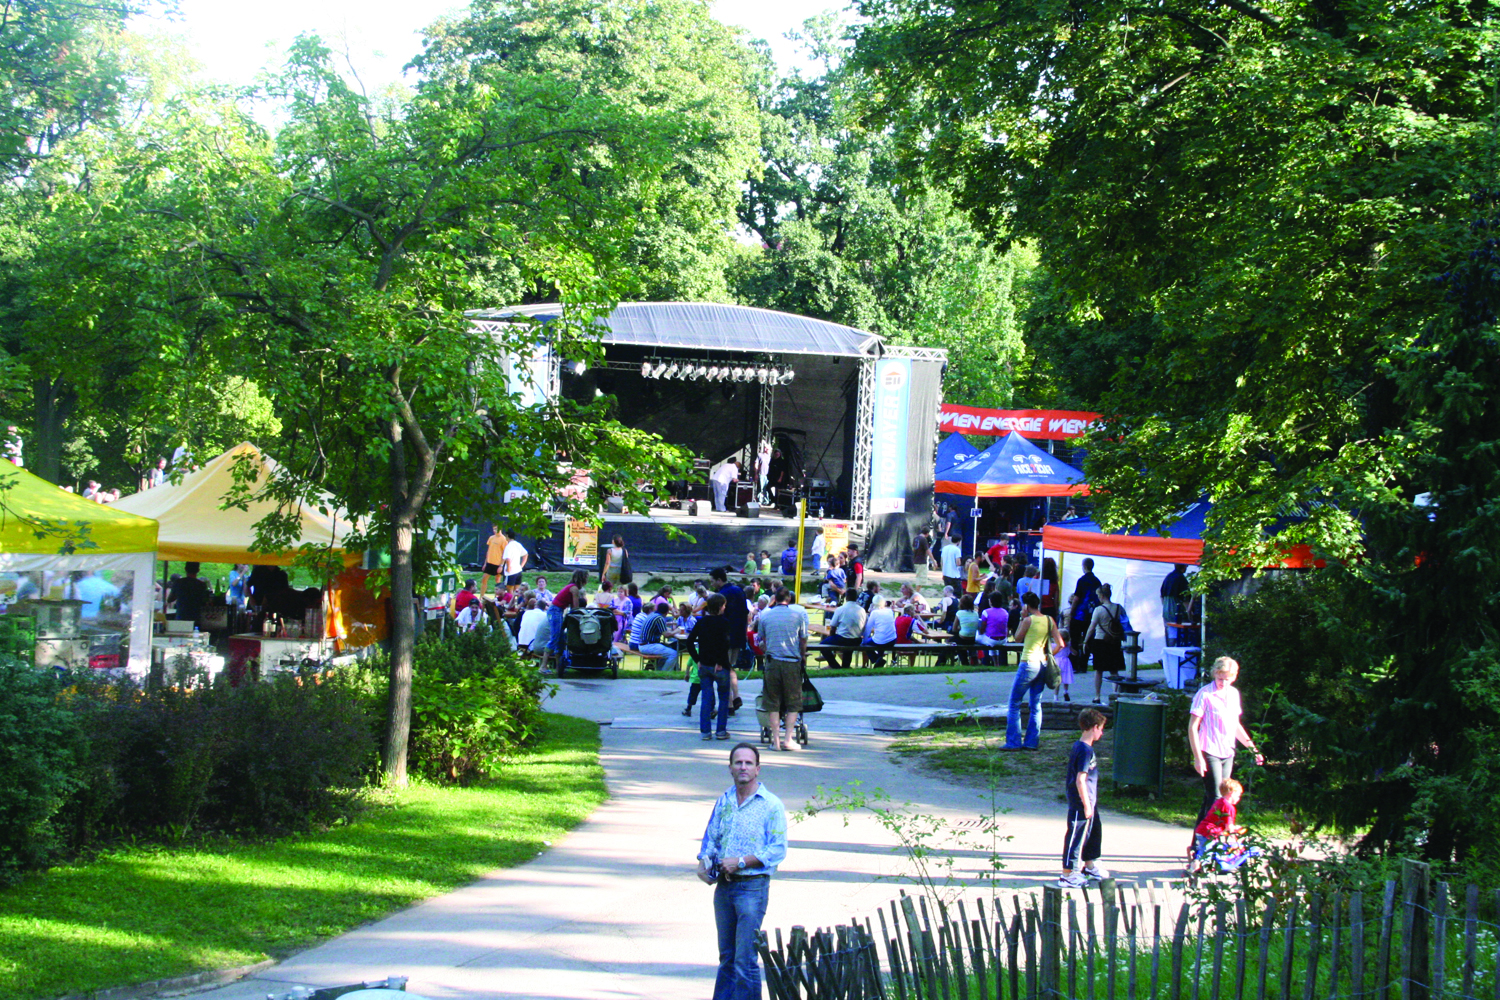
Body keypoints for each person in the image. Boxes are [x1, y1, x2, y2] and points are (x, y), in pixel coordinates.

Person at [697, 742, 788, 1000]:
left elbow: (777, 850)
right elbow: (711, 838)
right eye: (738, 763)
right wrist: (703, 862)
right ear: (730, 768)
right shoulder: (724, 800)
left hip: (752, 888)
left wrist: (741, 861)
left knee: (744, 960)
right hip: (724, 888)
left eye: (748, 763)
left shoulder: (770, 805)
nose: (743, 767)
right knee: (726, 957)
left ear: (758, 769)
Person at [1187, 656, 1264, 861]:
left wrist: (1252, 748)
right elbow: (1193, 727)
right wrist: (1198, 757)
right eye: (1220, 678)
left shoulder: (1233, 694)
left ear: (1234, 677)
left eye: (1228, 679)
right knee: (1217, 799)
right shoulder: (1204, 694)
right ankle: (1204, 847)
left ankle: (1199, 843)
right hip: (1209, 749)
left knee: (1213, 799)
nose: (1223, 683)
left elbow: (1235, 724)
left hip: (1227, 751)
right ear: (1214, 674)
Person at [1058, 708, 1109, 888]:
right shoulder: (1084, 750)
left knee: (1094, 831)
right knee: (1076, 835)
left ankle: (1090, 864)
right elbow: (1080, 779)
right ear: (1094, 727)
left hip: (1090, 801)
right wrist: (1086, 805)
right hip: (1082, 802)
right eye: (1101, 729)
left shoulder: (1082, 747)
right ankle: (1068, 873)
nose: (1101, 733)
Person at [1005, 591, 1063, 749]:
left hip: (1028, 662)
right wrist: (1049, 655)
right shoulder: (1049, 620)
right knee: (1035, 704)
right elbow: (1060, 643)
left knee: (1014, 702)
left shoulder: (1028, 620)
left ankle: (1013, 741)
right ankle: (1032, 742)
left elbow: (1017, 638)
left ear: (1026, 606)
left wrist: (1022, 618)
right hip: (1042, 663)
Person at [755, 588, 807, 750]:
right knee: (793, 702)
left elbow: (761, 640)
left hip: (772, 662)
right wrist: (802, 656)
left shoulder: (765, 616)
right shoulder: (797, 616)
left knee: (772, 702)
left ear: (774, 599)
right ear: (789, 599)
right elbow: (803, 639)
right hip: (791, 662)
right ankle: (788, 739)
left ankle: (775, 741)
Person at [687, 593, 737, 739]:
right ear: (721, 607)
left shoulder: (701, 622)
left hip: (704, 664)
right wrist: (721, 662)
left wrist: (697, 659)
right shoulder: (725, 623)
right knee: (723, 698)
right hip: (720, 665)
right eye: (724, 605)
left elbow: (690, 642)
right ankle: (721, 731)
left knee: (706, 699)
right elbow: (725, 644)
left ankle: (705, 732)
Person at [1191, 777, 1247, 874]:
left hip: (1203, 829)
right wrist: (1235, 834)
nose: (1239, 798)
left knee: (1206, 850)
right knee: (1206, 853)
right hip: (1209, 832)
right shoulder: (1229, 807)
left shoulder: (1220, 801)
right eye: (1238, 795)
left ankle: (1202, 866)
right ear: (1231, 793)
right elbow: (1229, 827)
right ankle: (1195, 869)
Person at [1084, 581, 1125, 703]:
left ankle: (1097, 695)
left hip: (1101, 640)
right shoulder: (1118, 607)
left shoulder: (1098, 610)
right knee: (1114, 670)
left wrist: (1085, 640)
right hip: (1115, 641)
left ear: (1102, 595)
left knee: (1099, 670)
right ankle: (1115, 694)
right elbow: (1125, 622)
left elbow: (1092, 627)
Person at [542, 569, 588, 673]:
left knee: (561, 640)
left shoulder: (571, 587)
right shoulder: (574, 589)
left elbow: (572, 608)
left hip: (557, 611)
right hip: (555, 611)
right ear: (582, 579)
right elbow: (575, 608)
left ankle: (559, 667)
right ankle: (543, 666)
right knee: (555, 637)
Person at [818, 589, 866, 669]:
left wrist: (831, 637)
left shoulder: (840, 609)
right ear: (856, 597)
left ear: (846, 597)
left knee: (823, 646)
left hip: (843, 638)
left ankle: (835, 666)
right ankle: (845, 667)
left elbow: (833, 627)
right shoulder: (862, 610)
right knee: (848, 651)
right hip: (856, 639)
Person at [638, 600, 680, 672]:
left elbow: (663, 629)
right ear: (667, 612)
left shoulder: (653, 615)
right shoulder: (659, 618)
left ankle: (659, 670)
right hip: (648, 646)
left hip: (643, 644)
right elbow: (666, 635)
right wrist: (677, 630)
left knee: (668, 648)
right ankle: (665, 672)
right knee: (674, 654)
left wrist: (671, 631)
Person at [1068, 557, 1103, 642]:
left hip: (1079, 614)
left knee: (1075, 638)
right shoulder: (1097, 581)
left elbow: (1076, 598)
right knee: (1088, 638)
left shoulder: (1081, 580)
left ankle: (1075, 654)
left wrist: (1072, 611)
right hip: (1091, 614)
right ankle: (1085, 654)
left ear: (1084, 567)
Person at [862, 596, 898, 668]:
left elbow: (868, 629)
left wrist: (864, 641)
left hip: (880, 640)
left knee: (865, 645)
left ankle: (876, 659)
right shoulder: (890, 611)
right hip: (892, 639)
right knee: (880, 640)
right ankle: (879, 660)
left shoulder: (874, 613)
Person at [975, 592, 1011, 658]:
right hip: (1003, 640)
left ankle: (978, 657)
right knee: (991, 636)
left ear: (990, 601)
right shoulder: (1005, 612)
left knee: (977, 636)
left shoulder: (986, 612)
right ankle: (996, 662)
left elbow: (982, 630)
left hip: (992, 640)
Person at [1161, 563, 1192, 633]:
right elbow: (1186, 600)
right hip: (1178, 615)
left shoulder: (1168, 577)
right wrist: (1190, 616)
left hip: (1166, 613)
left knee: (1171, 636)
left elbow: (1162, 597)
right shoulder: (1181, 579)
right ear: (1184, 566)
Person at [479, 524, 506, 601]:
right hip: (489, 563)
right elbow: (488, 551)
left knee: (498, 581)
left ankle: (497, 598)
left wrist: (501, 565)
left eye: (496, 529)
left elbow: (504, 553)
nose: (494, 531)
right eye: (493, 529)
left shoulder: (503, 539)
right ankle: (481, 597)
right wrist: (485, 563)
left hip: (498, 564)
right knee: (484, 579)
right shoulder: (491, 538)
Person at [1055, 628, 1075, 702]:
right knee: (1066, 679)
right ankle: (1066, 692)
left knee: (1057, 681)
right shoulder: (1068, 645)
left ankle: (1055, 697)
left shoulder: (1054, 644)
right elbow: (1074, 652)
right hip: (1066, 662)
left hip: (1057, 662)